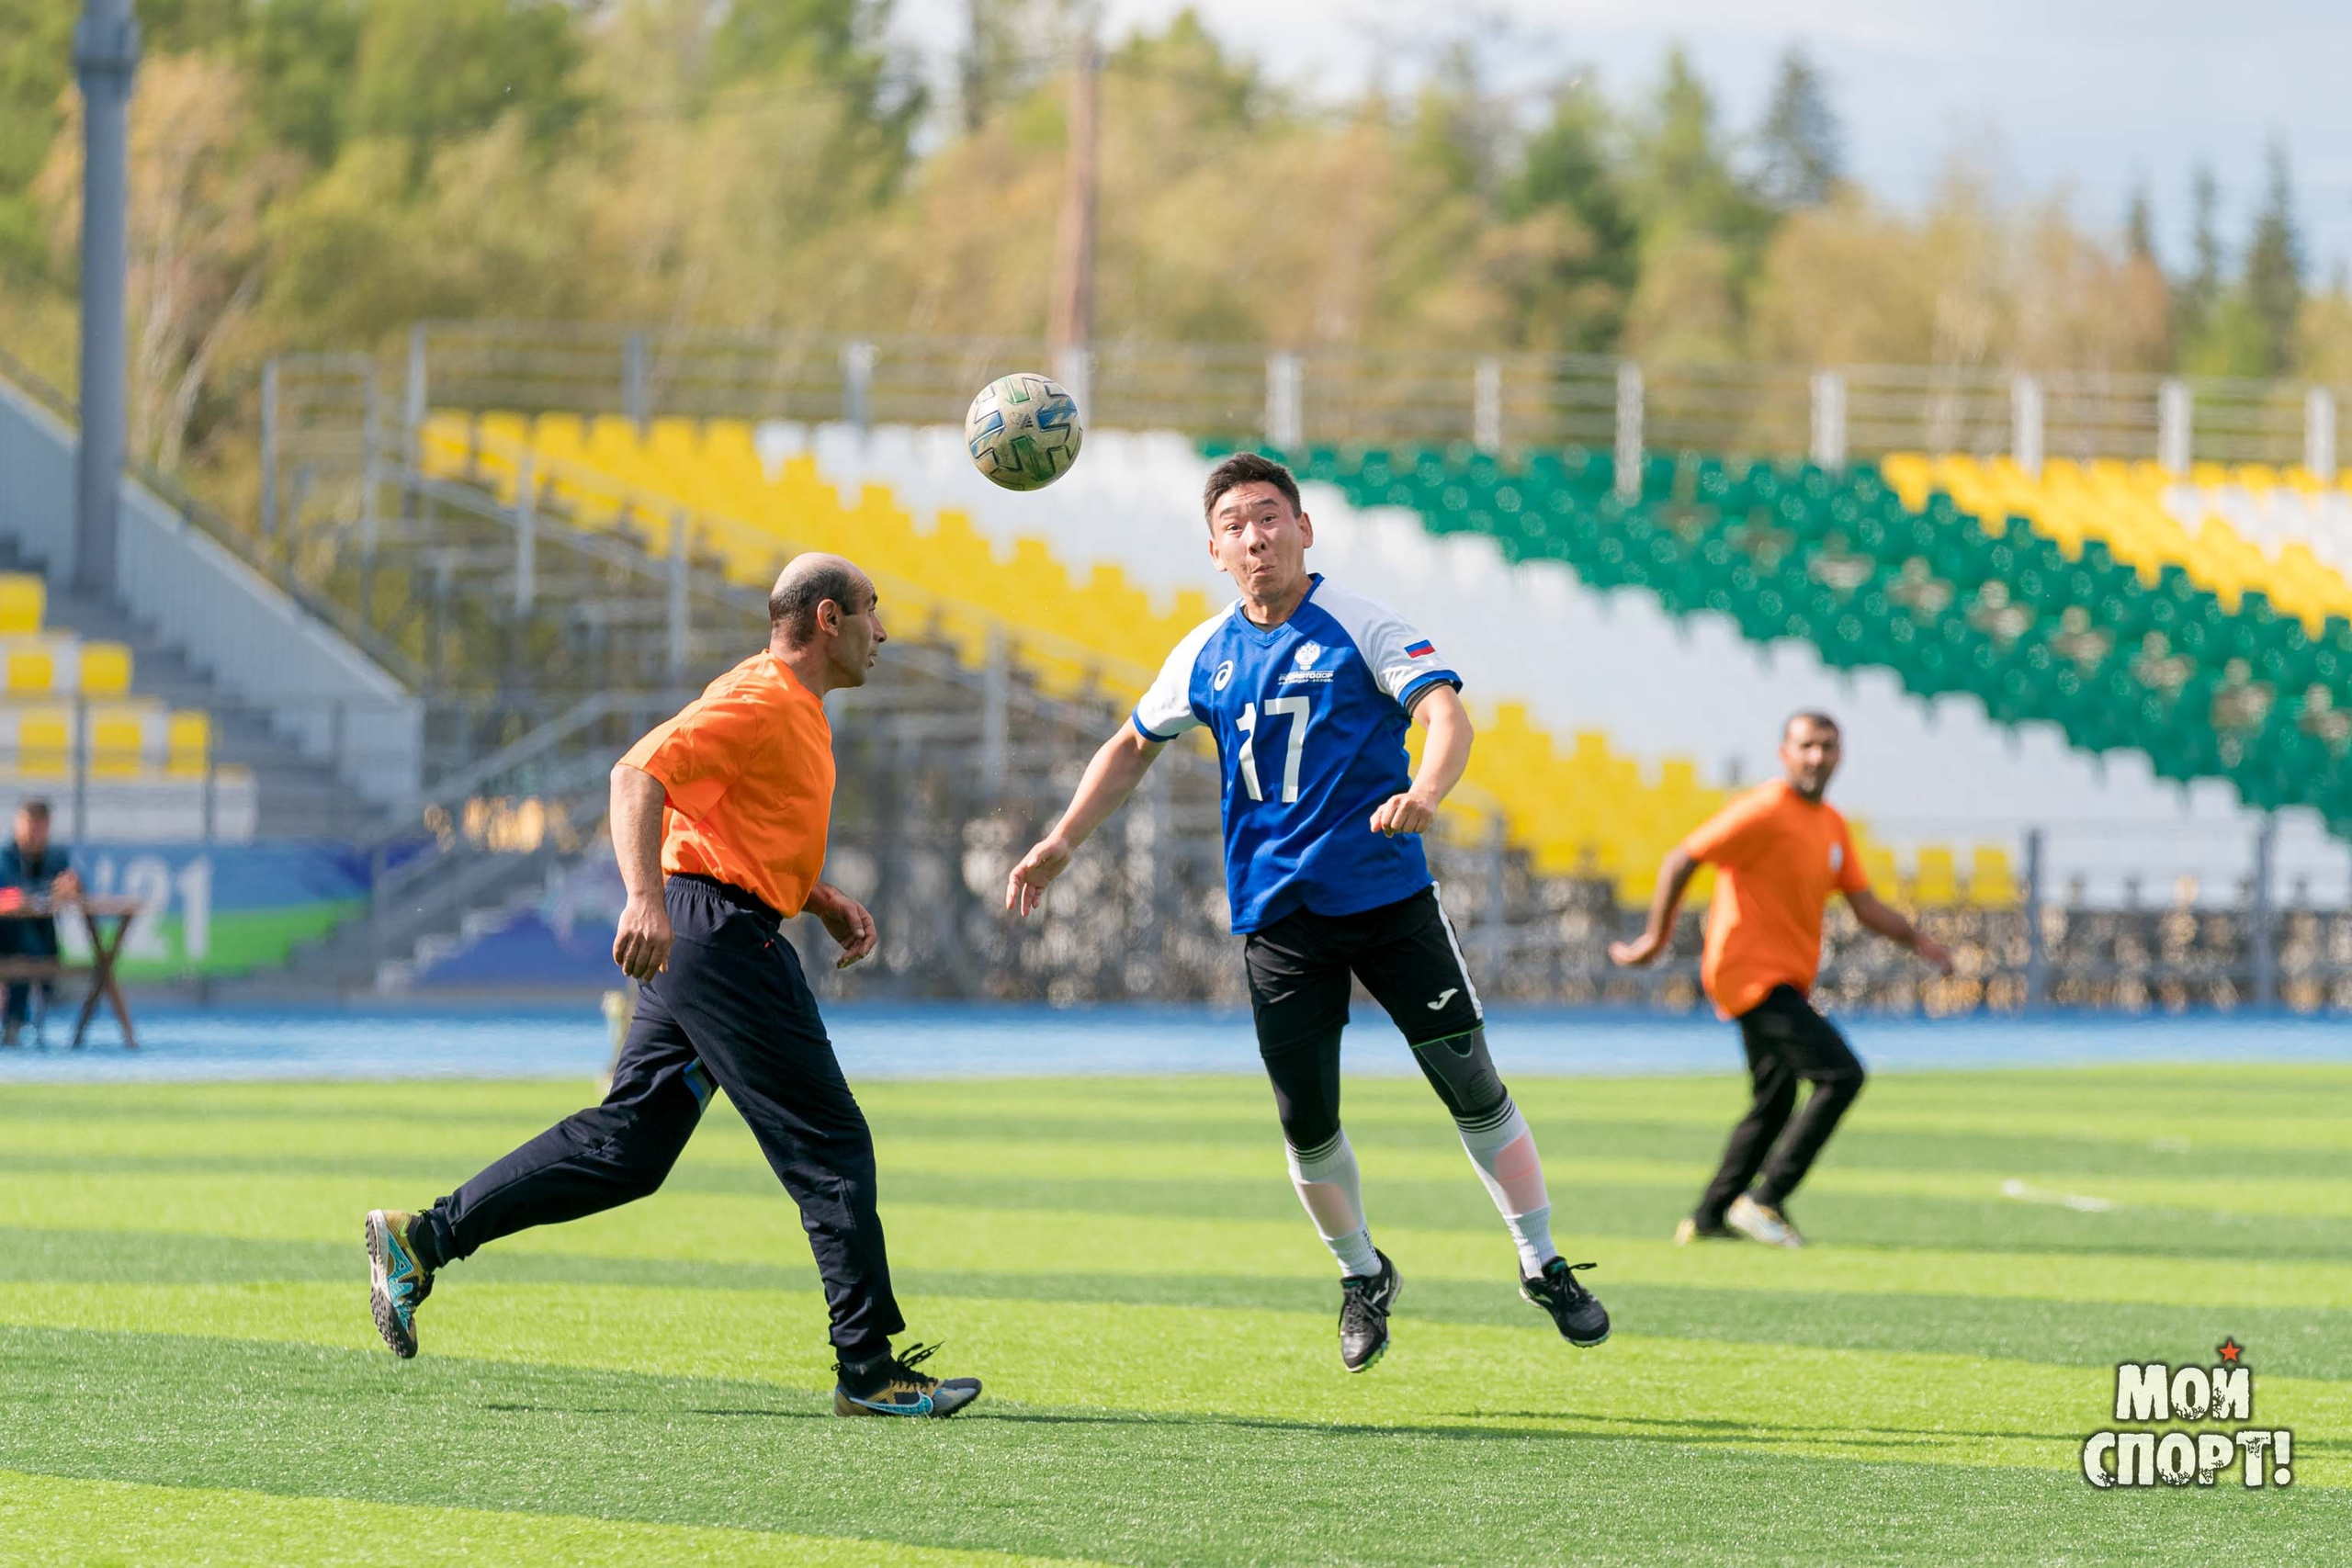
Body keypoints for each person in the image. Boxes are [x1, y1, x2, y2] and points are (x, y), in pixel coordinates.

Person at [1005, 452, 1610, 1373]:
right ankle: (1362, 1275)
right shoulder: (1202, 652)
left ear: (1304, 529)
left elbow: (1447, 714)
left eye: (1269, 516)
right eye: (1235, 525)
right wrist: (1061, 840)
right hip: (1279, 920)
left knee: (1470, 1081)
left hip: (1389, 900)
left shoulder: (1361, 623)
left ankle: (1541, 1260)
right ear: (1214, 550)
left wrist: (1426, 792)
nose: (1255, 537)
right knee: (1306, 1119)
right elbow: (1131, 745)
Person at [365, 553, 982, 1419]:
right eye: (873, 610)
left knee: (629, 1149)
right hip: (719, 937)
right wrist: (644, 897)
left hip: (714, 927)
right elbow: (637, 774)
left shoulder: (793, 707)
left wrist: (818, 897)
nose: (883, 632)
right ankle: (869, 1369)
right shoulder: (762, 697)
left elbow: (736, 827)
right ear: (828, 620)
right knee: (831, 1143)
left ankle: (422, 1239)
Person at [1610, 711, 1954, 1248]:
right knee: (1841, 1075)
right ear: (1784, 754)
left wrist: (1920, 943)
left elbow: (1863, 904)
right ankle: (1765, 1199)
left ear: (1840, 755)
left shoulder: (1831, 824)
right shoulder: (1764, 808)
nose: (1817, 756)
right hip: (1749, 973)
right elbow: (1682, 858)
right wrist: (1655, 940)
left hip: (1784, 979)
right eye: (1806, 745)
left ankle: (1708, 1217)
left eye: (1828, 746)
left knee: (1774, 1101)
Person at [0, 800, 78, 1046]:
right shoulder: (5, 857)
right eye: (30, 825)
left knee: (32, 945)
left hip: (42, 937)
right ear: (18, 824)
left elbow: (72, 886)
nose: (34, 832)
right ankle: (17, 1018)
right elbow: (15, 892)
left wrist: (72, 887)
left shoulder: (56, 857)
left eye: (40, 826)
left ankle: (20, 1018)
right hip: (6, 935)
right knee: (24, 948)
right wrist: (49, 891)